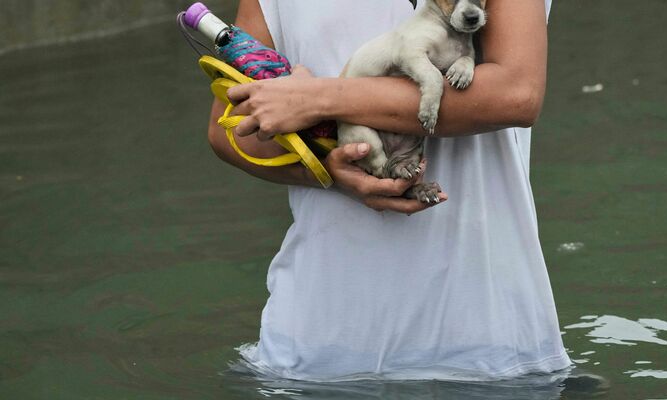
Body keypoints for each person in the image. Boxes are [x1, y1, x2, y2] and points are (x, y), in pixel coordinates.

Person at [208, 0, 570, 381]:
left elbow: (516, 93)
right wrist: (328, 172)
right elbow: (228, 127)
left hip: (487, 346)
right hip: (317, 352)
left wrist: (320, 99)